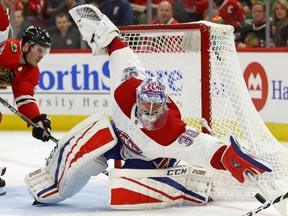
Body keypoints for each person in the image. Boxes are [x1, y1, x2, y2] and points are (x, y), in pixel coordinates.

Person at [25, 4, 272, 206]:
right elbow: (120, 49)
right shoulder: (127, 87)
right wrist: (102, 30)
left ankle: (183, 187)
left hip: (150, 158)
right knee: (93, 134)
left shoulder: (171, 131)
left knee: (123, 193)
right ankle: (52, 181)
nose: (151, 112)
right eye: (146, 105)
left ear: (163, 106)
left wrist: (227, 157)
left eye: (156, 107)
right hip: (121, 142)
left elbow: (203, 146)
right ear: (138, 99)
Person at [0, 25, 53, 196]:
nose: (41, 56)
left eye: (44, 52)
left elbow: (24, 99)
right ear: (26, 46)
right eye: (39, 50)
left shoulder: (31, 72)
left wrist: (37, 119)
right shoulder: (8, 49)